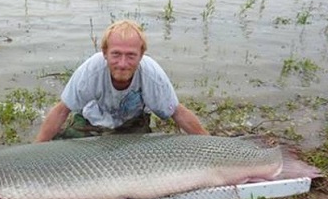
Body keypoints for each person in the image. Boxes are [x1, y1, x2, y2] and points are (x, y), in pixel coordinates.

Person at [35, 20, 208, 142]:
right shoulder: (90, 71)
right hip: (91, 120)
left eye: (131, 55)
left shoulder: (152, 75)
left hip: (131, 124)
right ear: (104, 52)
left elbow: (177, 112)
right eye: (116, 54)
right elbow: (61, 111)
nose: (123, 64)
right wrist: (38, 148)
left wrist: (211, 146)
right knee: (63, 148)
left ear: (141, 55)